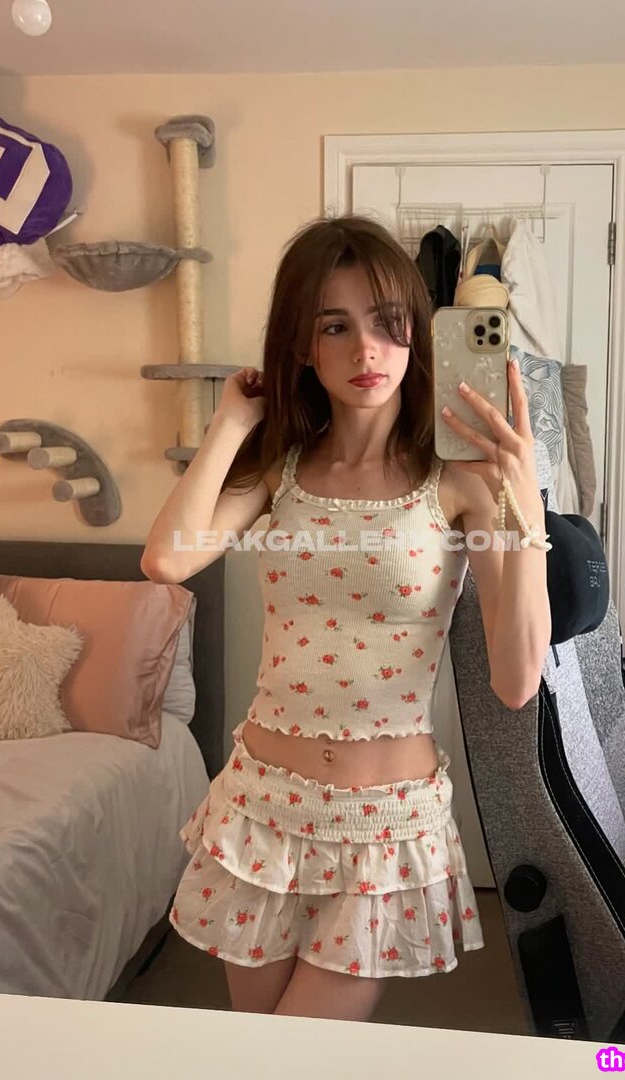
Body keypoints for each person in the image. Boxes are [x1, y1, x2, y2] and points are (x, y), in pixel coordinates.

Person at [141, 214, 551, 1022]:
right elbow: (166, 560)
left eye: (388, 322)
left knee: (296, 1055)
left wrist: (525, 505)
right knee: (258, 1050)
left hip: (382, 823)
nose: (367, 350)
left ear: (417, 332)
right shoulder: (283, 467)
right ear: (300, 344)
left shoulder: (460, 482)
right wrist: (231, 422)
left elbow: (515, 682)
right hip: (261, 807)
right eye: (334, 326)